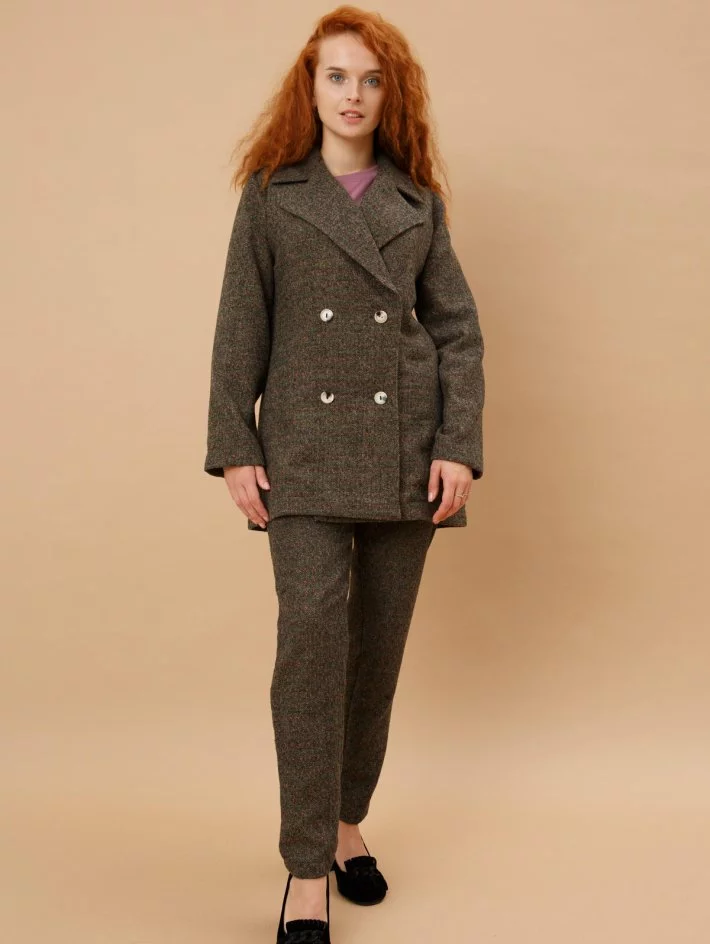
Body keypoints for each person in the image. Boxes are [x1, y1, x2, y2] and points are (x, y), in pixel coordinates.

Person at [203, 6, 485, 942]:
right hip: (305, 457)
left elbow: (456, 332)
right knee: (311, 650)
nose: (353, 94)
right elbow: (239, 327)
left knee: (376, 654)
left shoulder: (418, 204)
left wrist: (457, 443)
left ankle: (346, 823)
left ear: (388, 94)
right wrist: (236, 446)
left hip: (406, 456)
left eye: (370, 79)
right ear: (311, 87)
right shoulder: (271, 196)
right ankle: (303, 865)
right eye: (337, 76)